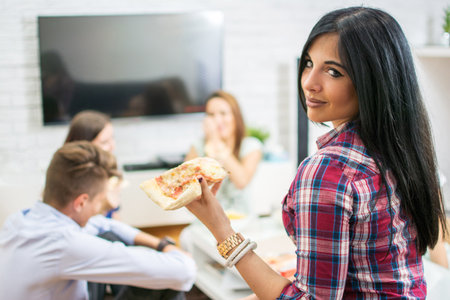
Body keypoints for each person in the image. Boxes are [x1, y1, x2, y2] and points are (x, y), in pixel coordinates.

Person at [185, 6, 447, 299]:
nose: (309, 82)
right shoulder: (402, 148)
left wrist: (220, 227)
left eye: (333, 71)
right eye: (309, 63)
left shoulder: (328, 171)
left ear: (372, 81)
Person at [0, 141, 196, 300]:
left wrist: (159, 243)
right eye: (100, 200)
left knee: (108, 235)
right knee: (166, 280)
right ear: (81, 202)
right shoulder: (63, 244)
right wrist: (170, 250)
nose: (103, 209)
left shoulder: (20, 219)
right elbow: (183, 271)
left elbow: (103, 224)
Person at [185, 90, 263, 214]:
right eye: (211, 114)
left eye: (223, 113)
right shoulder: (198, 146)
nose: (217, 120)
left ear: (236, 117)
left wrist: (216, 141)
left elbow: (241, 181)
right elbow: (187, 186)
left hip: (242, 219)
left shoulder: (251, 146)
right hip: (208, 219)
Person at [65, 110, 119, 218]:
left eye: (112, 138)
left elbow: (113, 217)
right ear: (85, 145)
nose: (112, 146)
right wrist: (105, 203)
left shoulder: (106, 168)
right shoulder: (74, 180)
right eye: (104, 142)